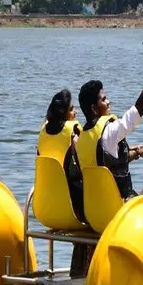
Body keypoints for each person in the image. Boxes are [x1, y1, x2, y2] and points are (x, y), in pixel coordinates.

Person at [76, 46, 143, 200]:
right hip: (116, 208)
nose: (109, 102)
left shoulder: (81, 138)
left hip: (93, 211)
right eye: (103, 99)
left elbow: (108, 163)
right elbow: (137, 111)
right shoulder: (109, 132)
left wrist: (137, 152)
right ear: (94, 109)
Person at [36, 88, 84, 223]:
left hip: (45, 205)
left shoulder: (43, 131)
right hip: (71, 205)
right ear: (64, 113)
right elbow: (87, 156)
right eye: (72, 109)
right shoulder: (73, 131)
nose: (76, 112)